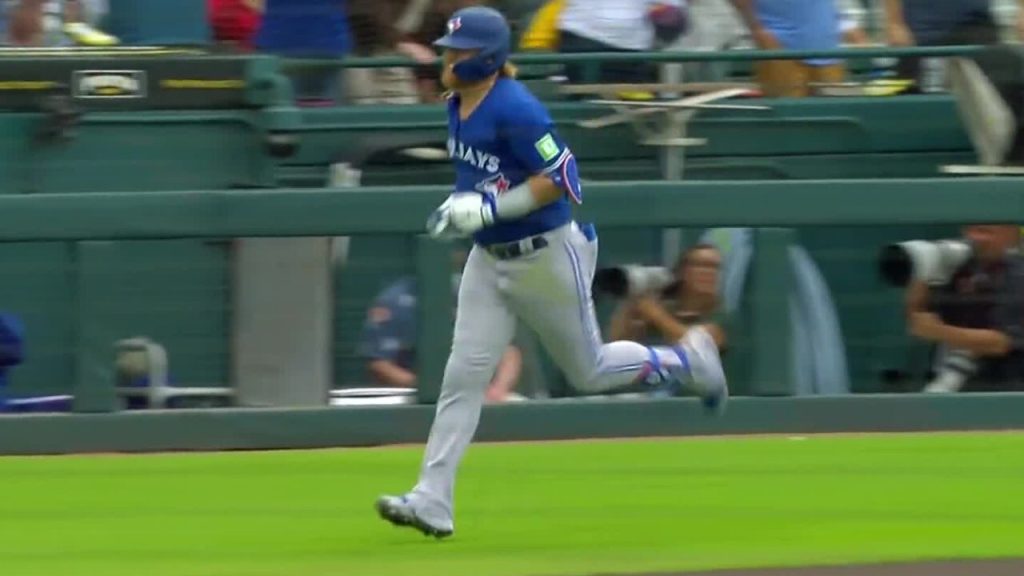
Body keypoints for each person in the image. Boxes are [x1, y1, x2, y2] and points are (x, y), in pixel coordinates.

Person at [374, 6, 727, 540]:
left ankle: (687, 361)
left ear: (487, 57)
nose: (449, 57)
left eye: (460, 50)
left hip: (544, 255)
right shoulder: (455, 103)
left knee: (589, 371)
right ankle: (432, 499)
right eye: (450, 48)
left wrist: (490, 210)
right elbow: (485, 176)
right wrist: (462, 205)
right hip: (489, 260)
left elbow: (561, 176)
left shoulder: (516, 106)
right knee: (463, 376)